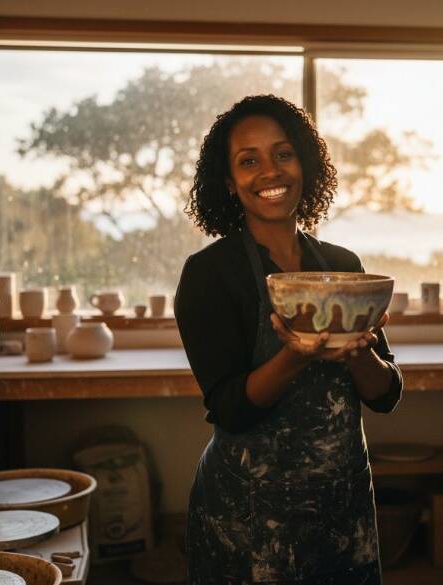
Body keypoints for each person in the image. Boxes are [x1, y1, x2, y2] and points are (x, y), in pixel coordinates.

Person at [175, 94, 403, 585]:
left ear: (305, 164)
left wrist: (361, 352)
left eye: (283, 153)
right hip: (249, 515)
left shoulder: (343, 266)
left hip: (342, 505)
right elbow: (231, 409)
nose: (269, 172)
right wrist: (296, 357)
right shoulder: (210, 275)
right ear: (229, 181)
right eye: (248, 160)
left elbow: (385, 395)